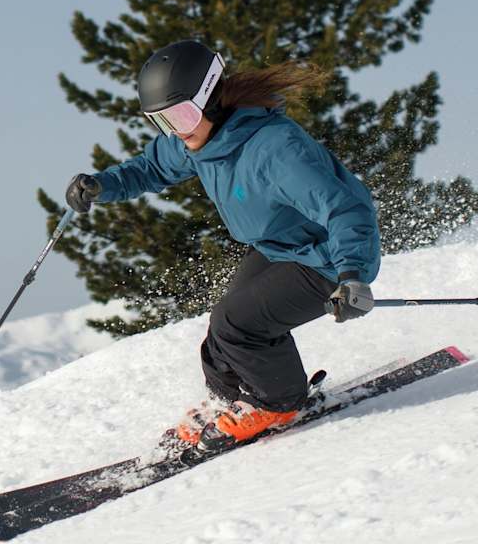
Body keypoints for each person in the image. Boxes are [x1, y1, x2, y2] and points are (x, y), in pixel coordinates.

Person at [65, 39, 380, 446]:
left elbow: (345, 206)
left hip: (327, 260)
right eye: (162, 121)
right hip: (277, 248)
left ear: (210, 98)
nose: (176, 129)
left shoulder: (275, 148)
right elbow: (150, 167)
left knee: (239, 324)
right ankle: (227, 400)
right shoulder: (197, 139)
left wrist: (352, 274)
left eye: (180, 114)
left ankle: (279, 401)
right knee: (222, 329)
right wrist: (102, 185)